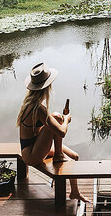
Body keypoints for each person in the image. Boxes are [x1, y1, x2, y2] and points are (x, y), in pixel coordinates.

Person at [17, 62, 88, 202]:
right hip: (31, 155)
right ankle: (58, 156)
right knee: (57, 117)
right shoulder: (38, 109)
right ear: (46, 87)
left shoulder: (29, 104)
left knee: (75, 156)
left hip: (31, 148)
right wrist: (66, 119)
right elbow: (61, 132)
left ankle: (74, 192)